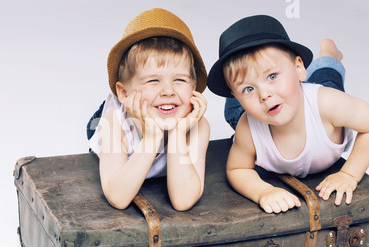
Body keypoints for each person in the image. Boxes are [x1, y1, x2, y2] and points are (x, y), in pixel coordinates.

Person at [207, 15, 369, 214]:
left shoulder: (328, 103)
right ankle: (246, 86)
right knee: (236, 113)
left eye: (272, 76)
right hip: (257, 112)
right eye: (249, 89)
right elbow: (238, 169)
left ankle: (329, 54)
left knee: (327, 79)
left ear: (299, 67)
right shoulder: (247, 127)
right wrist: (263, 192)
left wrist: (349, 175)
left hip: (315, 104)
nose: (264, 94)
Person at [87, 8, 210, 211]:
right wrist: (152, 138)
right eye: (153, 80)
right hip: (124, 120)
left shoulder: (197, 126)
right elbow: (118, 197)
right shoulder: (113, 122)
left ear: (194, 87)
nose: (168, 91)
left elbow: (183, 200)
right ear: (124, 93)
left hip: (157, 112)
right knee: (99, 134)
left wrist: (178, 134)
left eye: (180, 80)